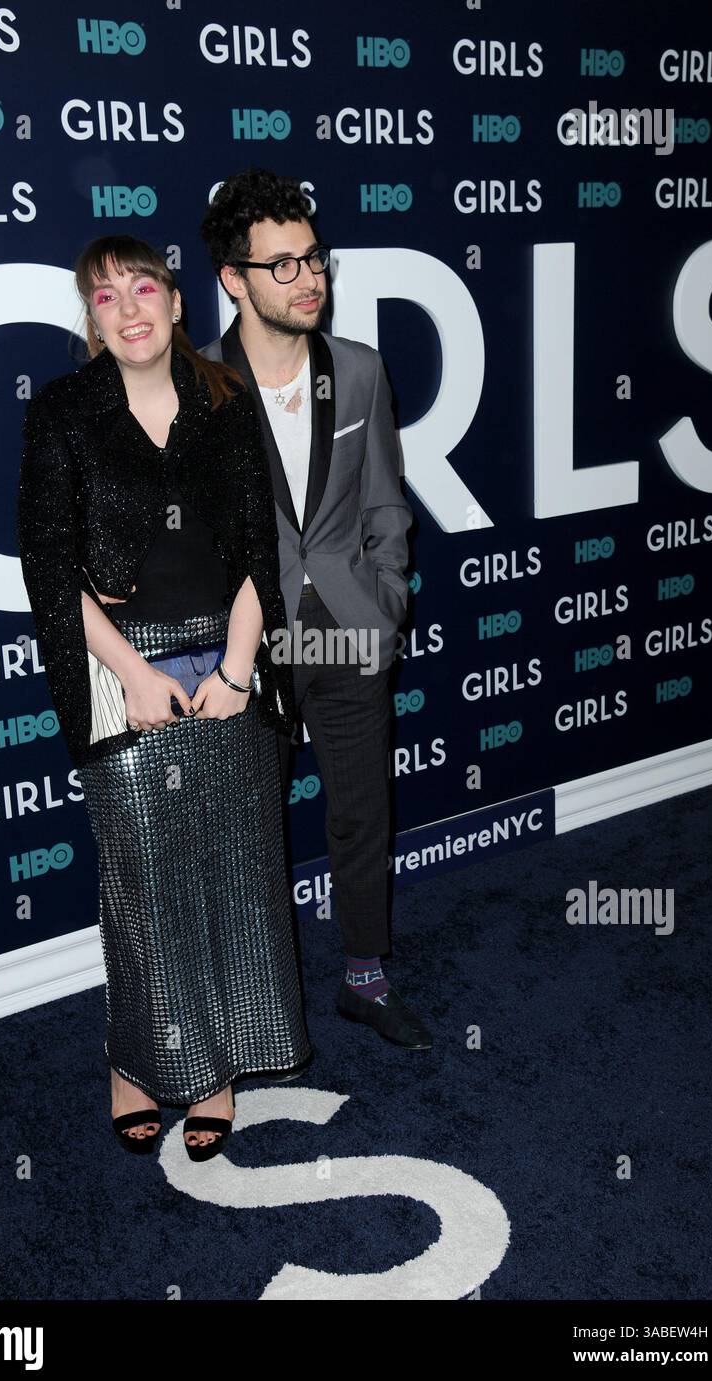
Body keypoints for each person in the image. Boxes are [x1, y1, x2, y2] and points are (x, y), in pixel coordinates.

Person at [17, 233, 312, 1159]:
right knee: (145, 888)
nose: (131, 308)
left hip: (227, 663)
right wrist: (133, 674)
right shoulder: (63, 414)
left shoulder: (227, 404)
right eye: (106, 298)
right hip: (122, 675)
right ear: (93, 321)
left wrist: (233, 669)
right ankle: (138, 1066)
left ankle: (217, 1073)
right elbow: (49, 567)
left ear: (178, 303)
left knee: (236, 872)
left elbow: (268, 550)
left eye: (144, 287)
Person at [199, 169, 431, 1050]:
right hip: (243, 639)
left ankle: (365, 980)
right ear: (235, 279)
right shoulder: (199, 382)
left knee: (362, 810)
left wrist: (386, 603)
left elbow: (384, 502)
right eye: (282, 266)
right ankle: (248, 1005)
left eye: (314, 260)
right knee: (243, 830)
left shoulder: (361, 370)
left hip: (344, 622)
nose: (308, 280)